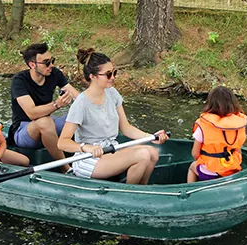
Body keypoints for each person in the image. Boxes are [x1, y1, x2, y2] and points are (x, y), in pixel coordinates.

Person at [58, 48, 169, 184]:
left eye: (114, 72)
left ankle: (141, 190)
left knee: (153, 153)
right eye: (108, 74)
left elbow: (126, 128)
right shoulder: (81, 104)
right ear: (92, 76)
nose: (113, 77)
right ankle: (129, 195)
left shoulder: (112, 93)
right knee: (143, 155)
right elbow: (62, 142)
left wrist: (151, 137)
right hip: (89, 158)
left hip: (111, 149)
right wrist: (86, 147)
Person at [8, 43, 79, 172]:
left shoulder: (54, 74)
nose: (51, 65)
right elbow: (32, 113)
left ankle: (87, 157)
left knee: (77, 116)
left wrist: (91, 104)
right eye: (46, 62)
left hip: (48, 126)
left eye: (52, 61)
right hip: (23, 131)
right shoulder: (19, 81)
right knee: (44, 122)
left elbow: (77, 96)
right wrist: (57, 104)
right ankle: (66, 168)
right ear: (32, 64)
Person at [187, 86, 247, 183]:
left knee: (192, 167)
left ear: (210, 103)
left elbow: (195, 154)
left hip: (209, 173)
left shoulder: (203, 125)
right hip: (232, 171)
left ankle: (191, 193)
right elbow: (238, 151)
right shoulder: (238, 125)